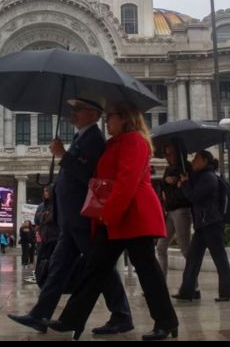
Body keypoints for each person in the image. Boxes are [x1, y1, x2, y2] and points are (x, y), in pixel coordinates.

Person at [47, 101, 178, 341]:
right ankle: (71, 319)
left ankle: (166, 321)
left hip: (134, 215)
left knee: (147, 271)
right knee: (95, 267)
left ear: (125, 118)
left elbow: (126, 182)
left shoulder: (135, 141)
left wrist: (107, 214)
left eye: (111, 117)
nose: (106, 122)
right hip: (115, 217)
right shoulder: (112, 144)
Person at [8, 95, 132, 336]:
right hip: (70, 217)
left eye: (80, 109)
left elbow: (90, 175)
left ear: (95, 115)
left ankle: (122, 314)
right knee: (58, 268)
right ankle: (39, 315)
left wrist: (64, 155)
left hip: (82, 216)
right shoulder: (81, 137)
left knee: (100, 266)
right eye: (73, 108)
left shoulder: (94, 139)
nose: (73, 112)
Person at [173, 150, 230, 303]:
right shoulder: (201, 177)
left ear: (204, 161)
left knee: (219, 259)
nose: (193, 162)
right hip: (203, 225)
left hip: (212, 224)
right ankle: (187, 291)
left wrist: (186, 184)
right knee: (193, 259)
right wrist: (185, 181)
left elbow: (194, 196)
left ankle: (228, 292)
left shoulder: (209, 178)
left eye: (196, 159)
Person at [155, 143, 198, 298]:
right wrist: (167, 182)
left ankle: (193, 286)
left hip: (181, 210)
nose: (168, 157)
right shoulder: (168, 169)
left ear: (178, 153)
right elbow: (163, 188)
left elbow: (189, 191)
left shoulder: (186, 168)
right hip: (170, 211)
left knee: (185, 248)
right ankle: (159, 284)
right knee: (161, 246)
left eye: (170, 153)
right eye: (166, 154)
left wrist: (181, 183)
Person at [32, 186, 59, 287]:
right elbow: (37, 221)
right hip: (45, 238)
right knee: (42, 261)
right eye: (44, 191)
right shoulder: (41, 206)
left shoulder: (58, 205)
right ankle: (43, 280)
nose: (45, 193)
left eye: (47, 191)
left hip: (56, 238)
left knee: (55, 261)